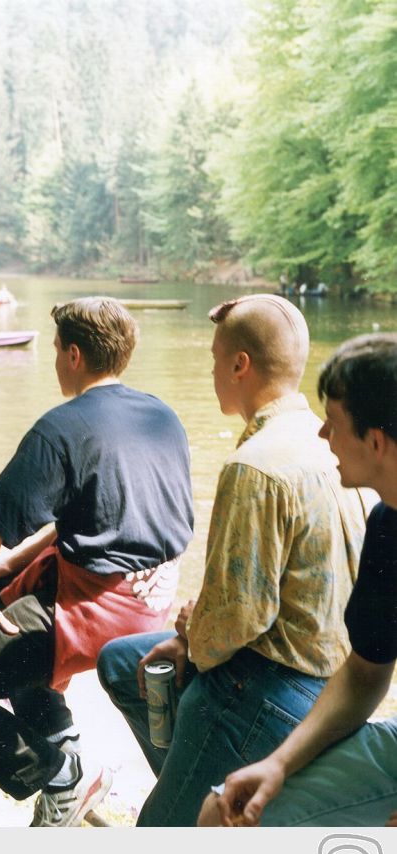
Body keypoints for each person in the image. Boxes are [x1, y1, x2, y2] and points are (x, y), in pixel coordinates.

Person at [0, 296, 193, 826]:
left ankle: (61, 775)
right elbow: (89, 520)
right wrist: (10, 569)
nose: (56, 359)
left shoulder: (61, 427)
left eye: (58, 349)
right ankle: (62, 738)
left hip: (92, 612)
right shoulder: (163, 416)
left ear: (75, 356)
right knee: (6, 594)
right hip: (153, 603)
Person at [97, 293, 371, 826]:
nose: (213, 372)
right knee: (121, 660)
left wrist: (192, 633)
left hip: (264, 686)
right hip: (335, 679)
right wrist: (197, 628)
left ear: (240, 365)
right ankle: (192, 781)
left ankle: (191, 806)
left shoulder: (254, 465)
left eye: (215, 359)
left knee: (158, 835)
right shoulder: (334, 447)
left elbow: (240, 617)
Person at [198, 333, 397, 828]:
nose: (322, 434)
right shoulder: (387, 526)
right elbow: (365, 672)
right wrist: (278, 764)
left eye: (333, 423)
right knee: (220, 815)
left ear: (375, 441)